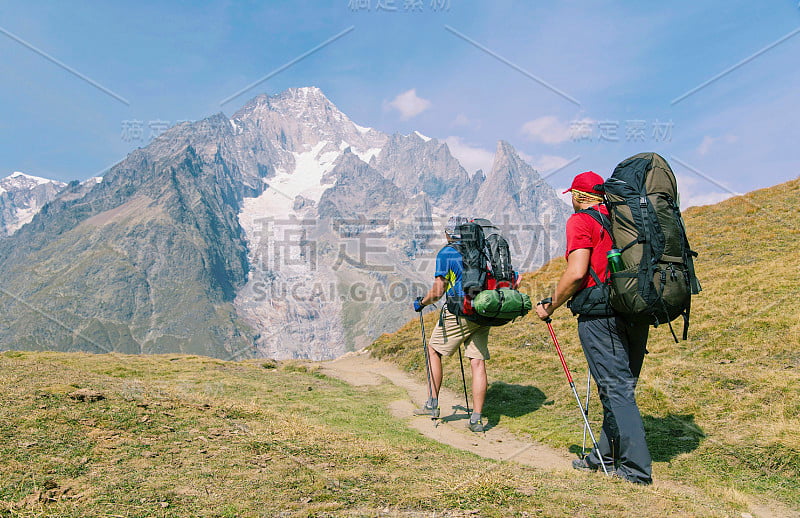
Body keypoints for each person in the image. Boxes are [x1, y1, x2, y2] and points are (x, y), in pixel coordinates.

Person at [535, 171, 653, 485]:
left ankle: (636, 471)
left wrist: (550, 305)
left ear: (577, 194)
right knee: (618, 389)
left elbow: (576, 273)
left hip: (601, 316)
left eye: (571, 194)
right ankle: (604, 456)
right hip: (636, 310)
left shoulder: (581, 221)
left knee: (616, 389)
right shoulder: (625, 220)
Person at [413, 216, 491, 433]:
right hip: (484, 310)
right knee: (477, 361)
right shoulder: (481, 249)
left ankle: (432, 403)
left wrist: (421, 302)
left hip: (460, 311)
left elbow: (438, 291)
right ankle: (476, 418)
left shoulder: (447, 253)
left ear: (449, 234)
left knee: (433, 350)